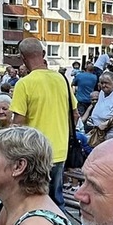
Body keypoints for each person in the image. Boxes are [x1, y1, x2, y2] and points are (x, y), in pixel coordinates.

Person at [11, 38, 73, 209]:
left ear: (22, 58)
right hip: (60, 149)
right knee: (56, 200)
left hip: (35, 152)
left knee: (35, 200)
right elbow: (74, 114)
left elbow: (18, 124)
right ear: (44, 54)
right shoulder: (62, 80)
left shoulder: (23, 84)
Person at [84, 72, 113, 139]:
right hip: (101, 132)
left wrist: (105, 124)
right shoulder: (101, 93)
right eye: (102, 83)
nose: (103, 85)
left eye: (106, 83)